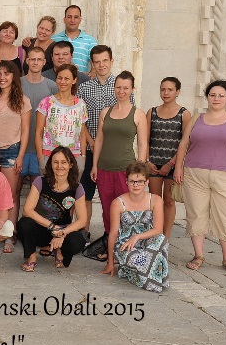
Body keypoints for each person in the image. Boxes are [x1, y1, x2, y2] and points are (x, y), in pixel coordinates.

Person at [174, 80, 226, 275]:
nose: (216, 98)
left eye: (221, 95)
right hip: (194, 174)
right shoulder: (196, 119)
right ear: (207, 97)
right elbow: (183, 144)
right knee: (196, 215)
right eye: (212, 95)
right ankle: (198, 255)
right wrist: (178, 168)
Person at [91, 71, 148, 235]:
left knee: (126, 210)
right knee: (107, 209)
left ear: (132, 90)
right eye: (118, 87)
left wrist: (140, 172)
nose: (121, 91)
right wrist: (94, 165)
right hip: (104, 169)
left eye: (126, 88)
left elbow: (142, 144)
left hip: (126, 170)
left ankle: (126, 243)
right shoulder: (105, 112)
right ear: (114, 88)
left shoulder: (138, 114)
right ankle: (110, 242)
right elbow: (99, 140)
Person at [78, 45, 127, 233]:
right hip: (90, 149)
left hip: (114, 152)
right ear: (92, 63)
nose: (101, 65)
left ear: (111, 61)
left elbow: (130, 117)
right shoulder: (84, 88)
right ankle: (84, 232)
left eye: (105, 60)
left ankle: (114, 233)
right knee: (86, 194)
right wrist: (90, 141)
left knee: (115, 195)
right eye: (97, 61)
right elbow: (80, 120)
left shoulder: (121, 87)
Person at [102, 162, 169, 292]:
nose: (135, 185)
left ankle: (138, 273)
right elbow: (113, 234)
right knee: (138, 258)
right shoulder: (117, 203)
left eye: (140, 181)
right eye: (132, 181)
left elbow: (158, 229)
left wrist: (137, 237)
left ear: (147, 182)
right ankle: (149, 274)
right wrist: (110, 263)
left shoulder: (156, 200)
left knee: (161, 240)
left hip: (149, 241)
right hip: (127, 244)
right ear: (126, 182)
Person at [17, 146, 87, 272]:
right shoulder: (40, 181)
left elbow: (82, 220)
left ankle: (59, 249)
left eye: (64, 162)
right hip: (42, 228)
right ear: (50, 164)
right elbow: (27, 210)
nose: (59, 166)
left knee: (78, 241)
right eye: (56, 162)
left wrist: (62, 233)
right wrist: (52, 226)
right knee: (24, 224)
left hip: (63, 229)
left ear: (71, 165)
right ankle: (31, 256)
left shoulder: (77, 187)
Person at [0, 61, 31, 245]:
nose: (2, 78)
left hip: (11, 151)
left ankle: (9, 234)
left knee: (9, 195)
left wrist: (20, 156)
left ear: (14, 76)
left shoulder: (23, 101)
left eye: (7, 74)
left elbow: (25, 131)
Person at [146, 77, 189, 239]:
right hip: (153, 165)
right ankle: (155, 234)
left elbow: (186, 142)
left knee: (169, 201)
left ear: (177, 92)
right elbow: (145, 139)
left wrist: (171, 164)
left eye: (170, 89)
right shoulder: (152, 112)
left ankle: (165, 237)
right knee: (155, 201)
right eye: (163, 89)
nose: (166, 93)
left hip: (173, 165)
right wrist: (147, 161)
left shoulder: (184, 114)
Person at [35, 64, 88, 175]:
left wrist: (82, 158)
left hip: (74, 157)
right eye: (60, 78)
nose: (62, 81)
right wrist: (41, 158)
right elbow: (38, 132)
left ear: (74, 80)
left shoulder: (81, 105)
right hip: (49, 156)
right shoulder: (46, 103)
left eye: (66, 78)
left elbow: (82, 133)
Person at [20, 47, 57, 184]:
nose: (35, 62)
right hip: (19, 147)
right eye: (32, 59)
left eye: (39, 59)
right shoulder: (17, 84)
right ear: (27, 61)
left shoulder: (52, 86)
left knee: (37, 189)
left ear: (44, 62)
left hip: (41, 148)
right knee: (15, 189)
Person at [51, 5, 97, 73]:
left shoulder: (90, 41)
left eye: (76, 17)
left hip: (81, 79)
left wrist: (92, 74)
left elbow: (97, 61)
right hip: (58, 78)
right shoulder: (54, 39)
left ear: (80, 20)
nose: (72, 20)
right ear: (64, 19)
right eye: (69, 17)